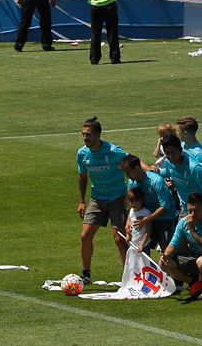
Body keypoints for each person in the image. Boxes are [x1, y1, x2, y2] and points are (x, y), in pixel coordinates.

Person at [76, 117, 129, 282]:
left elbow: (132, 161)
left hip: (118, 199)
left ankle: (129, 276)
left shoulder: (113, 151)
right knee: (85, 236)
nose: (85, 138)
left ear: (98, 135)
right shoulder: (82, 153)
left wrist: (151, 170)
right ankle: (86, 275)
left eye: (89, 135)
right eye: (83, 134)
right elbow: (82, 176)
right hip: (97, 199)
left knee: (120, 239)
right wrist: (82, 201)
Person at [161, 192, 202, 301]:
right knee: (163, 262)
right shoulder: (183, 222)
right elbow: (173, 244)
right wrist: (166, 255)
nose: (192, 214)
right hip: (195, 257)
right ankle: (194, 284)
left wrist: (192, 230)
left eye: (196, 210)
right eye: (190, 210)